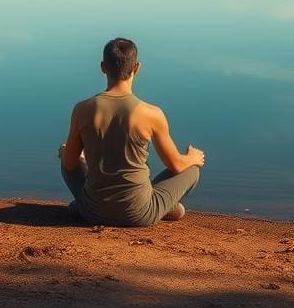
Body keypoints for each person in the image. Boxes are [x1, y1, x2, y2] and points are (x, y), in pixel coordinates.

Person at [59, 37, 205, 227]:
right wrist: (193, 157)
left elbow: (70, 165)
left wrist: (67, 153)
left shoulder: (82, 109)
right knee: (192, 171)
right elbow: (176, 165)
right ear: (136, 68)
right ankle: (163, 207)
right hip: (138, 214)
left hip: (92, 211)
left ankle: (80, 205)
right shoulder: (151, 113)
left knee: (66, 157)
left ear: (103, 67)